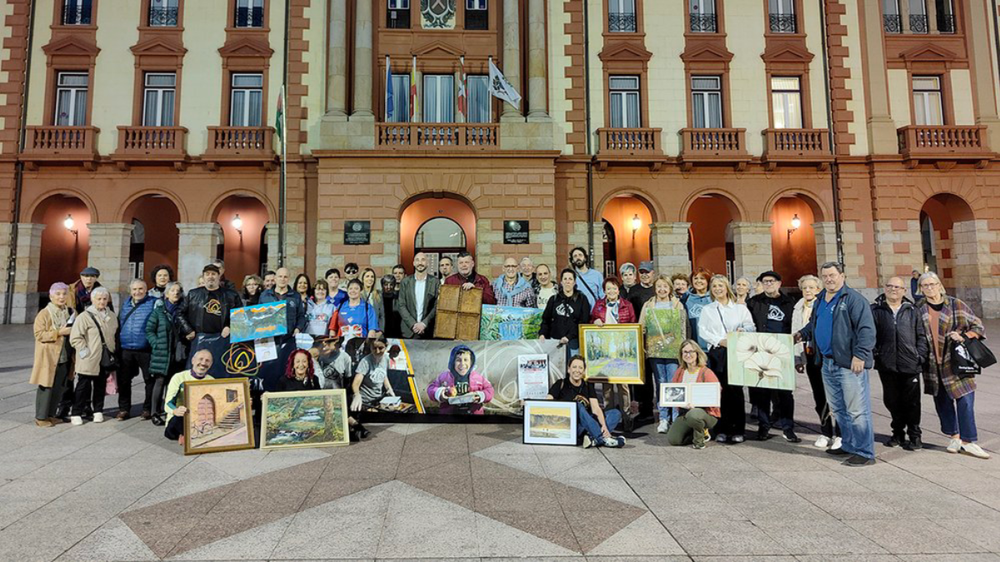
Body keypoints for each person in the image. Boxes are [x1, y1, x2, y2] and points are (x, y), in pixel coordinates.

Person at [795, 262, 877, 466]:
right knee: (839, 409)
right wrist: (801, 334)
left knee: (856, 410)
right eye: (825, 276)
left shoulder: (853, 299)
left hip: (849, 364)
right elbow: (814, 324)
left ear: (842, 276)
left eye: (832, 275)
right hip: (827, 363)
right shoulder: (821, 299)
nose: (829, 279)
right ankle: (848, 444)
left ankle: (865, 452)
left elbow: (866, 329)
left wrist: (860, 355)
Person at [916, 271, 989, 459]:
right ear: (921, 289)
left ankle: (969, 441)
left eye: (932, 284)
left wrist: (963, 336)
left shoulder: (956, 305)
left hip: (956, 362)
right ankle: (954, 437)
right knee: (942, 401)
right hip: (933, 364)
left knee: (965, 401)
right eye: (925, 285)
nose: (929, 288)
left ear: (939, 285)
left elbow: (978, 327)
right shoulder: (918, 308)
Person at [872, 276, 928, 450]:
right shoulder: (876, 310)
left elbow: (921, 335)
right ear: (884, 288)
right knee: (891, 400)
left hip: (910, 363)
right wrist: (876, 353)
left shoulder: (912, 310)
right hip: (886, 363)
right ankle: (898, 433)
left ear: (904, 291)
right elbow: (870, 335)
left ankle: (915, 435)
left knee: (912, 402)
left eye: (897, 287)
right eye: (889, 286)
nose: (893, 289)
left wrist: (920, 356)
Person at [698, 275, 755, 444]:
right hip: (717, 353)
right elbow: (703, 331)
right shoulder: (708, 309)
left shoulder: (739, 308)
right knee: (720, 391)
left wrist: (742, 331)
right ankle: (721, 429)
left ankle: (738, 430)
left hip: (736, 351)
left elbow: (751, 326)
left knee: (735, 391)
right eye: (714, 286)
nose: (717, 289)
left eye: (720, 285)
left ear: (727, 288)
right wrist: (720, 341)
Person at [746, 271, 799, 443]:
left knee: (785, 392)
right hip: (760, 352)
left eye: (771, 281)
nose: (768, 284)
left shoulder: (789, 303)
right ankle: (763, 427)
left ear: (779, 283)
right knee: (762, 393)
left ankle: (788, 428)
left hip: (782, 351)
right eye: (765, 281)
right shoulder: (754, 302)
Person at [792, 275, 841, 450]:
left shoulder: (823, 305)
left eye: (812, 287)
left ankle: (840, 434)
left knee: (835, 396)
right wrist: (798, 358)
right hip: (810, 356)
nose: (808, 291)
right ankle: (825, 431)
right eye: (805, 288)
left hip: (826, 356)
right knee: (819, 396)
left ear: (818, 290)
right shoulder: (798, 307)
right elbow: (795, 331)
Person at [638, 274, 688, 433]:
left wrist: (682, 348)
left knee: (673, 382)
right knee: (660, 382)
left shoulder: (677, 305)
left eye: (665, 286)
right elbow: (641, 326)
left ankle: (675, 415)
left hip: (673, 350)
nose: (662, 289)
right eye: (659, 286)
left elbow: (682, 328)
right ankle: (663, 417)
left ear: (670, 288)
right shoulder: (648, 305)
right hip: (655, 350)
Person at [546, 355, 625, 448]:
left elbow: (596, 408)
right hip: (572, 426)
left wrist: (604, 426)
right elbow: (547, 402)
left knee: (615, 413)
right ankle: (601, 438)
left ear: (583, 371)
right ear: (569, 370)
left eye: (580, 368)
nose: (577, 370)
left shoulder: (588, 385)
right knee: (577, 405)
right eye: (574, 367)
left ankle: (591, 438)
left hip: (588, 423)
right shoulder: (561, 383)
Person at [68, 287, 118, 426]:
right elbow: (75, 337)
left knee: (100, 385)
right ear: (92, 300)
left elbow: (114, 335)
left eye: (104, 299)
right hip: (88, 357)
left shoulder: (111, 316)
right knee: (83, 386)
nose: (102, 301)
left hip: (104, 357)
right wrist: (84, 351)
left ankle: (98, 411)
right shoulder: (84, 316)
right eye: (99, 299)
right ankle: (76, 412)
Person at [30, 282, 74, 427]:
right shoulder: (44, 314)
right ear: (51, 296)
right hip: (48, 356)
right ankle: (41, 417)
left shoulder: (69, 312)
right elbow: (39, 334)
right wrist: (59, 332)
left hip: (64, 355)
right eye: (58, 294)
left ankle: (51, 415)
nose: (61, 297)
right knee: (46, 386)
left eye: (64, 294)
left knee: (59, 387)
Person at [145, 281, 188, 426]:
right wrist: (156, 343)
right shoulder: (159, 311)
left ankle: (170, 410)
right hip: (162, 351)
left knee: (173, 383)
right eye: (172, 290)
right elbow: (149, 330)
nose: (176, 293)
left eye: (178, 291)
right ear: (166, 294)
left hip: (178, 352)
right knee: (160, 381)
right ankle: (154, 413)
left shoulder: (183, 310)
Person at [666, 340, 721, 450]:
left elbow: (716, 393)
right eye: (685, 352)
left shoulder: (706, 372)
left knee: (693, 414)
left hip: (706, 413)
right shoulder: (680, 371)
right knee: (674, 440)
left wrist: (697, 403)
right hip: (685, 411)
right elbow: (673, 392)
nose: (688, 355)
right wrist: (681, 403)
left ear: (697, 353)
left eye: (691, 351)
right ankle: (695, 432)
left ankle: (699, 441)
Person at [116, 279, 158, 421]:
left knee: (149, 380)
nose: (137, 292)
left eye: (140, 289)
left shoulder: (153, 303)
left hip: (145, 348)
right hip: (126, 348)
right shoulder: (126, 304)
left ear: (146, 290)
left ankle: (147, 408)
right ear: (130, 291)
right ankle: (124, 409)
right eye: (134, 289)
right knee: (124, 380)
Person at [163, 349, 215, 445]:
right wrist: (175, 410)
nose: (203, 363)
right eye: (201, 359)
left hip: (201, 421)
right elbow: (167, 403)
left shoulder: (212, 381)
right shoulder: (179, 377)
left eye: (207, 361)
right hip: (178, 422)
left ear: (211, 364)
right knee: (183, 415)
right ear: (193, 361)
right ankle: (186, 435)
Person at [180, 264, 244, 341]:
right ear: (203, 277)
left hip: (223, 338)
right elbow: (180, 313)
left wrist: (230, 327)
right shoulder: (192, 294)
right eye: (207, 274)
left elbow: (240, 316)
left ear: (219, 276)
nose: (210, 277)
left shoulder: (231, 295)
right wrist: (188, 330)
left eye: (213, 274)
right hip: (198, 339)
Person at [540, 269, 591, 362]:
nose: (567, 281)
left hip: (574, 343)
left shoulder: (582, 299)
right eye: (565, 279)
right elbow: (546, 320)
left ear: (574, 282)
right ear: (561, 282)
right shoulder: (554, 299)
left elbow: (583, 322)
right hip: (556, 343)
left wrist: (569, 337)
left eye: (570, 279)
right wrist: (542, 334)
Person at [427, 345, 495, 415]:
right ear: (452, 362)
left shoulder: (478, 378)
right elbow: (431, 388)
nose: (462, 364)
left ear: (471, 362)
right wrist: (440, 393)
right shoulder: (444, 377)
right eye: (458, 360)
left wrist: (480, 395)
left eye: (466, 360)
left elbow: (489, 389)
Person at [350, 336, 393, 437]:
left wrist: (389, 389)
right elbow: (356, 383)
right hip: (365, 402)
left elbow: (383, 374)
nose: (377, 351)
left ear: (386, 346)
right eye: (374, 348)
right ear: (370, 347)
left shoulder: (386, 358)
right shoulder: (365, 361)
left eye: (380, 348)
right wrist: (357, 395)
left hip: (378, 399)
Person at [398, 252, 438, 338]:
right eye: (417, 260)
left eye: (423, 260)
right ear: (413, 263)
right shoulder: (405, 282)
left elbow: (437, 305)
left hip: (428, 331)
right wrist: (413, 324)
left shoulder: (435, 282)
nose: (420, 263)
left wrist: (424, 323)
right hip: (409, 331)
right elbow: (401, 305)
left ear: (427, 263)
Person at [259, 267, 307, 338]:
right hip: (270, 337)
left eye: (285, 277)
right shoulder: (264, 295)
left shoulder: (296, 296)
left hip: (289, 337)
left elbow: (301, 316)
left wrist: (298, 329)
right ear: (275, 278)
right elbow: (259, 316)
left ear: (289, 279)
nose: (282, 279)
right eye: (280, 276)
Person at [683, 269, 713, 350]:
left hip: (713, 346)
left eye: (702, 278)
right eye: (696, 278)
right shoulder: (685, 298)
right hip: (693, 347)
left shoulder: (714, 298)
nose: (698, 281)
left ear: (708, 281)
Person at [569, 246, 603, 311]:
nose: (578, 258)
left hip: (594, 313)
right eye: (575, 256)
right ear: (572, 260)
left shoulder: (597, 275)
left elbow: (602, 296)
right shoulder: (571, 276)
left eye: (580, 255)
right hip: (577, 313)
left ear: (585, 258)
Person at [359, 268, 387, 334]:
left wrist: (380, 331)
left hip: (377, 332)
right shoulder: (358, 295)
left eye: (372, 277)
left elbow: (382, 315)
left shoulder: (378, 294)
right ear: (362, 279)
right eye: (367, 276)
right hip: (362, 332)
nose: (370, 279)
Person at [381, 274, 402, 338]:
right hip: (382, 330)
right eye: (386, 284)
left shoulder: (398, 297)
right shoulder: (379, 298)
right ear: (382, 285)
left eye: (391, 284)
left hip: (396, 331)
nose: (388, 287)